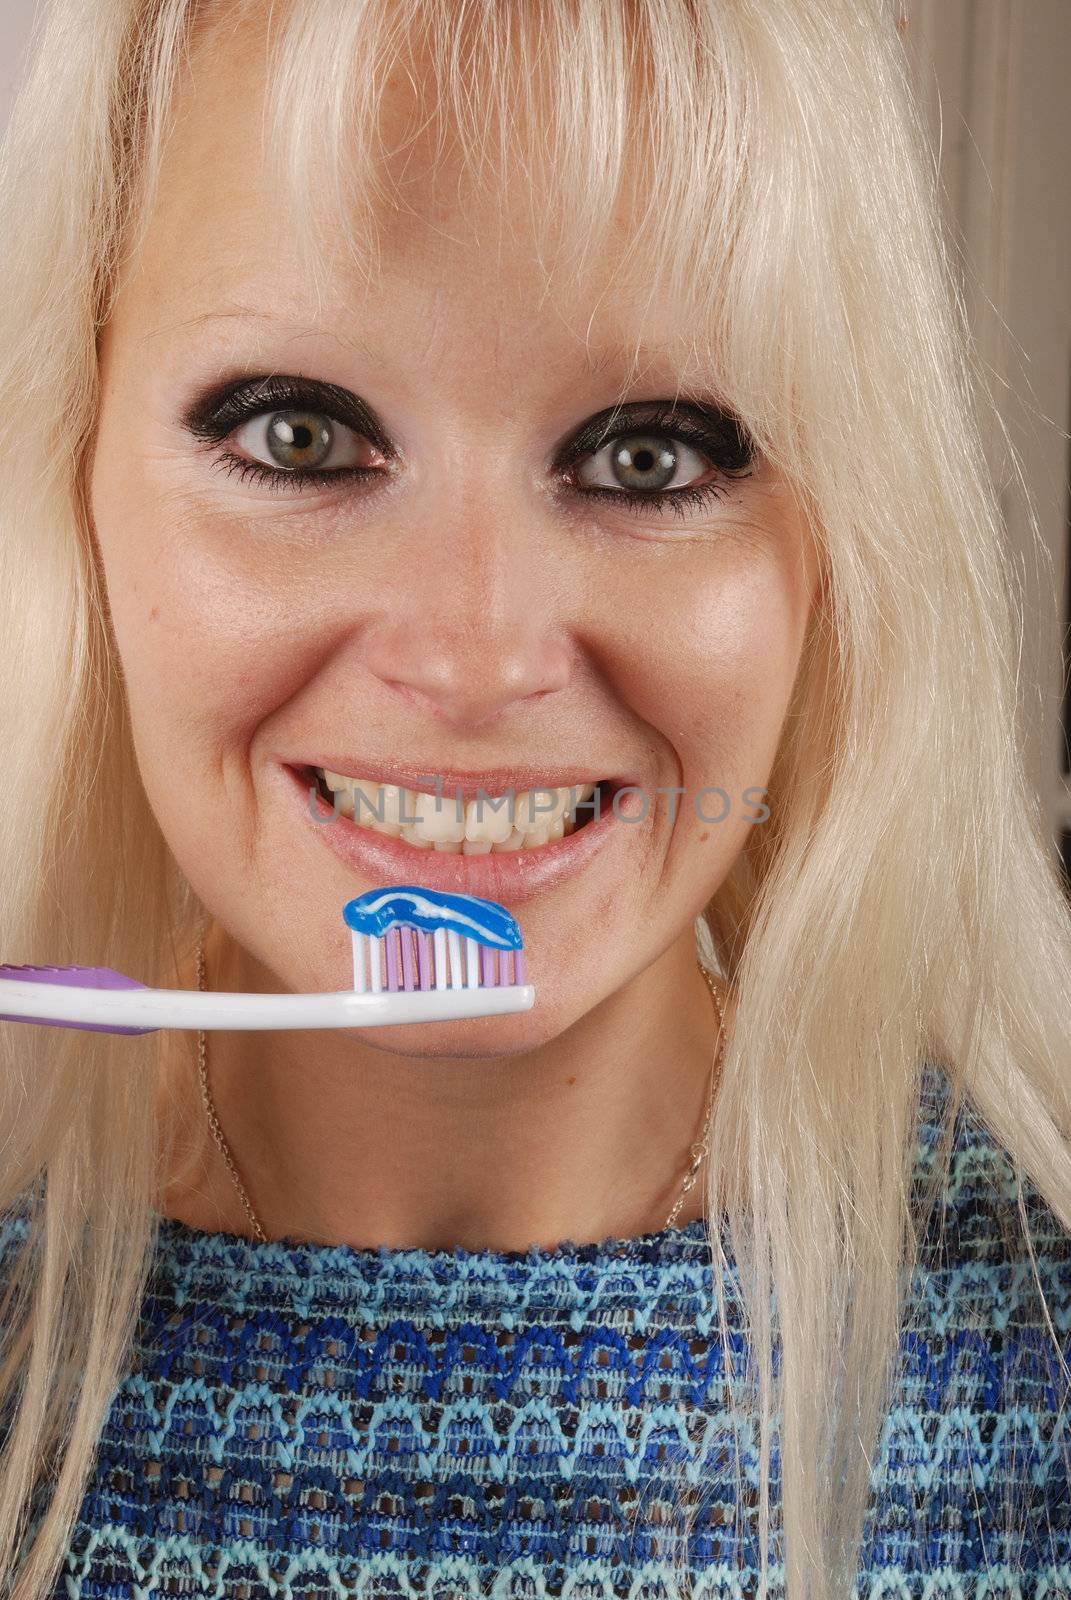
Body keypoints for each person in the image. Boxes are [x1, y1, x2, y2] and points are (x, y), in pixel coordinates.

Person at [0, 0, 1067, 1595]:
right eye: (298, 436)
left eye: (649, 458)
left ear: (841, 541)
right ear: (70, 467)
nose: (478, 654)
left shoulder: (1031, 1333)